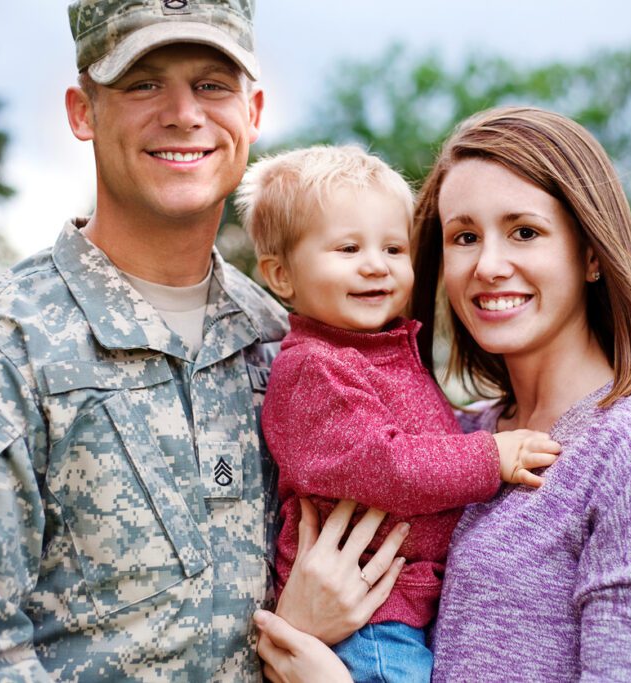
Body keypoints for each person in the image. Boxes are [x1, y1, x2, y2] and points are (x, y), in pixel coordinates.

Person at [0, 1, 363, 679]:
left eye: (213, 84)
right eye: (143, 82)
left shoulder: (282, 346)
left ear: (254, 111)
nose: (184, 112)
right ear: (82, 110)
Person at [256, 106, 631, 682]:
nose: (489, 265)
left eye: (525, 231)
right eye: (465, 237)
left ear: (592, 254)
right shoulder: (464, 434)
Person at [234, 145, 560, 682]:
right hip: (369, 623)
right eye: (347, 248)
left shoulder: (379, 353)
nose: (375, 265)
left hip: (399, 608)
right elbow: (385, 466)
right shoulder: (316, 367)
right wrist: (490, 457)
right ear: (281, 275)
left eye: (393, 247)